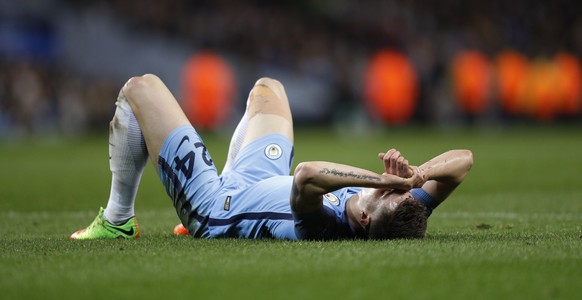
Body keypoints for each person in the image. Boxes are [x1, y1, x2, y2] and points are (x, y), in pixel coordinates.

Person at [70, 74, 473, 240]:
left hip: (216, 206)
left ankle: (117, 220)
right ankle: (226, 169)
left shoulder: (326, 226)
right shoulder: (403, 210)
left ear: (366, 218)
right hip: (258, 180)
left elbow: (307, 174)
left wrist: (383, 180)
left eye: (388, 194)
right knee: (268, 89)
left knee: (141, 88)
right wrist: (417, 176)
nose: (396, 189)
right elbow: (463, 161)